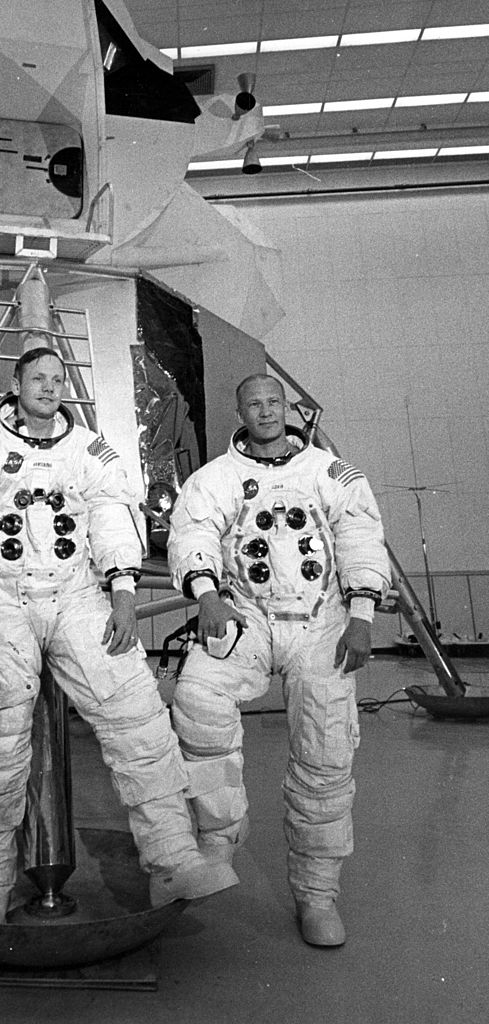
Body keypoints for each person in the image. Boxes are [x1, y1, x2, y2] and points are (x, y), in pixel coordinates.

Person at [0, 347, 237, 923]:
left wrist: (122, 595)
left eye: (57, 379)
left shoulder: (91, 451)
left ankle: (172, 860)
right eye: (37, 378)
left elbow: (115, 518)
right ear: (15, 383)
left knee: (138, 714)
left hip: (74, 598)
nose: (48, 387)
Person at [167, 373, 390, 947]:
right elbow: (193, 532)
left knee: (324, 753)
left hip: (323, 624)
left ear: (286, 408)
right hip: (248, 614)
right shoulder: (214, 479)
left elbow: (361, 538)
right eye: (254, 404)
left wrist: (363, 614)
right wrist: (207, 596)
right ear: (240, 412)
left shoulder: (331, 473)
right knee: (197, 695)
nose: (265, 411)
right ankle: (220, 832)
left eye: (273, 402)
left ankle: (317, 896)